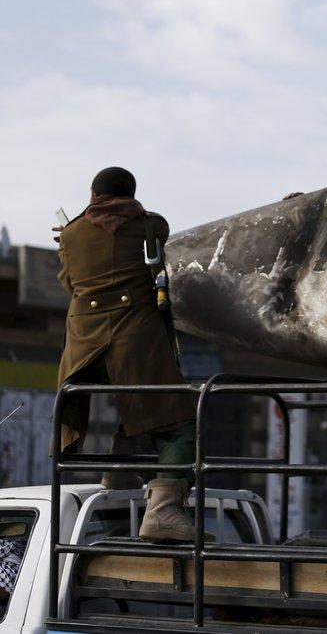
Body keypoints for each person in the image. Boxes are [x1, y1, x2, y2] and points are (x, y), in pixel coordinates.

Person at [56, 167, 199, 543]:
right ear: (131, 194)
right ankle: (164, 510)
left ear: (93, 195)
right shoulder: (152, 226)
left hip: (84, 349)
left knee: (139, 404)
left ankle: (119, 472)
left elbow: (69, 282)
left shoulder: (69, 235)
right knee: (178, 421)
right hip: (133, 339)